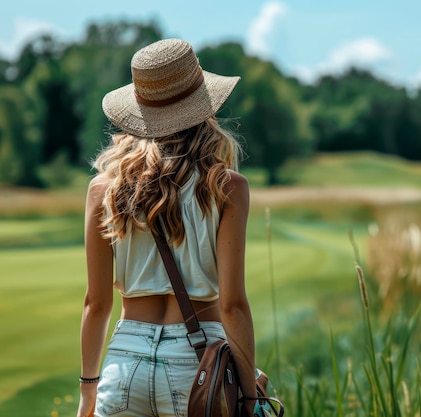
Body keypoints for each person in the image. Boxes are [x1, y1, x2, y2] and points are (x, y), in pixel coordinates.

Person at [77, 38, 256, 417]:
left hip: (125, 361)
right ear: (204, 105)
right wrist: (250, 396)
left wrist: (88, 392)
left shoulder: (103, 189)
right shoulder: (227, 187)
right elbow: (232, 304)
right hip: (198, 366)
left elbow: (96, 304)